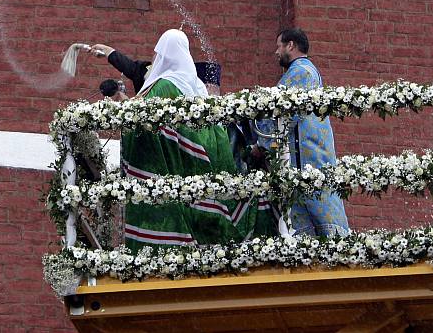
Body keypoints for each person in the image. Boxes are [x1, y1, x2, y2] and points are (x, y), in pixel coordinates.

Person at [90, 30, 274, 251]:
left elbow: (142, 121)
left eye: (158, 53)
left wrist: (120, 109)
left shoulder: (165, 85)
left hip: (170, 167)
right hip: (196, 168)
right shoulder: (194, 85)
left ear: (165, 54)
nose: (155, 58)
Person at [260, 28, 350, 237]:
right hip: (308, 151)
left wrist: (261, 143)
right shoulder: (305, 70)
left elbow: (278, 112)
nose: (276, 52)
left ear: (290, 45)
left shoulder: (300, 71)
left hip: (308, 155)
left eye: (278, 46)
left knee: (317, 208)